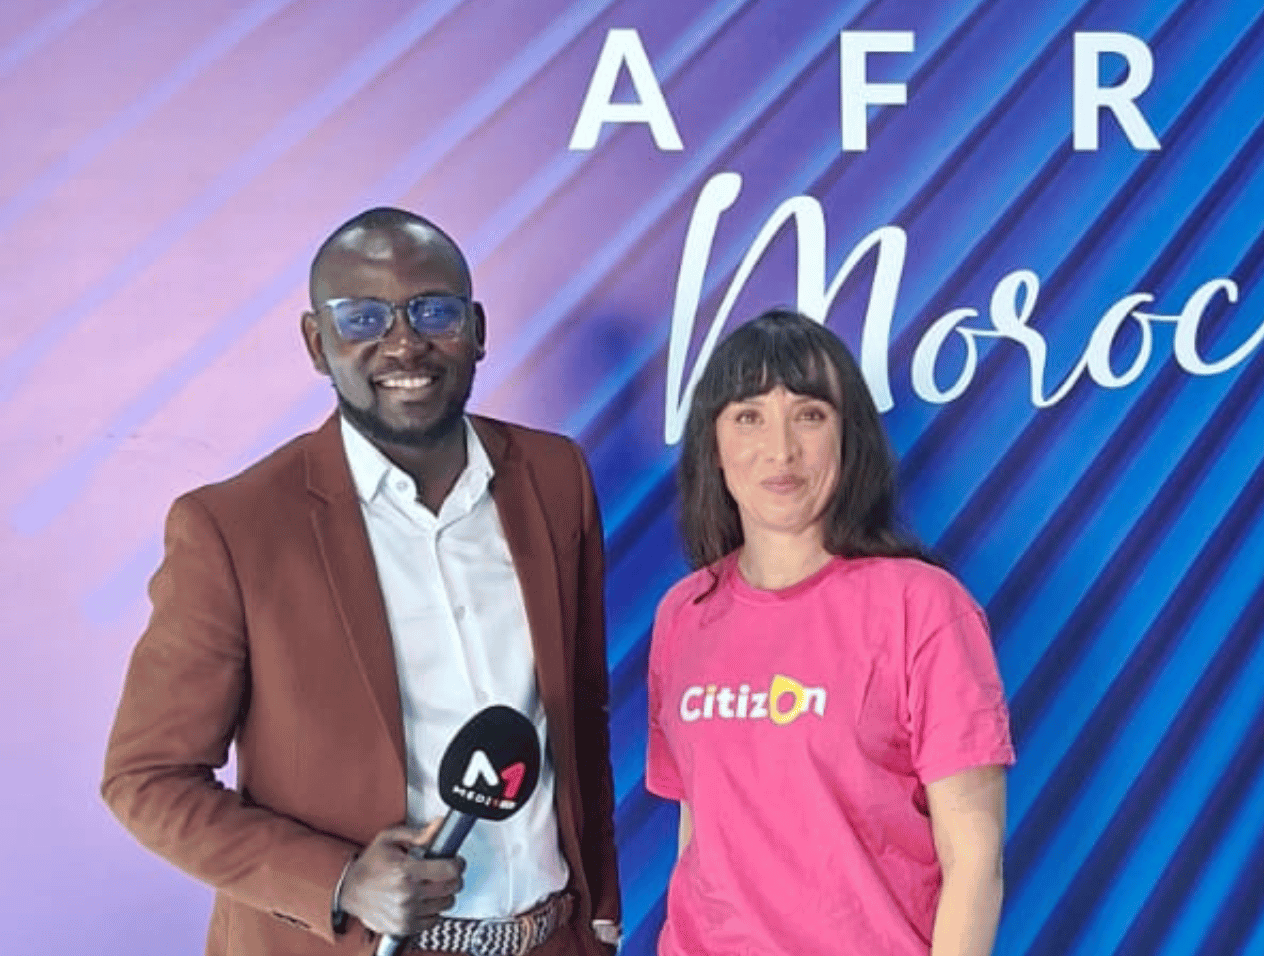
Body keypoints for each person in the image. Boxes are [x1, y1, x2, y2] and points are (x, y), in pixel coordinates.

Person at [101, 208, 623, 955]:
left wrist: (600, 913)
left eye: (433, 312)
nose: (404, 342)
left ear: (477, 329)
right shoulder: (234, 528)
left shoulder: (555, 476)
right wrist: (340, 881)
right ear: (318, 343)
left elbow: (581, 712)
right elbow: (147, 777)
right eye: (363, 318)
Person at [646, 309, 1015, 956]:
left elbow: (975, 863)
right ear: (713, 445)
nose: (781, 449)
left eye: (810, 415)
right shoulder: (683, 612)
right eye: (749, 417)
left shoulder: (923, 607)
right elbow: (698, 825)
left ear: (850, 437)